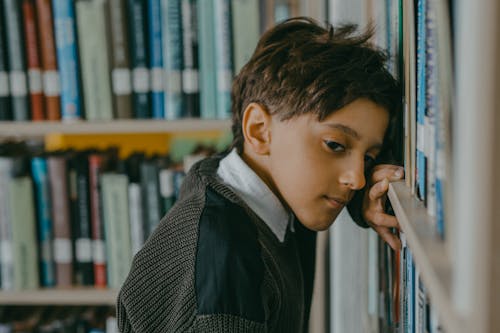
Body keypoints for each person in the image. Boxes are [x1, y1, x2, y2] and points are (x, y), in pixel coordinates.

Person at [117, 17, 403, 333]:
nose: (357, 179)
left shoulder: (233, 187)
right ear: (259, 130)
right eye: (335, 145)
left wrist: (368, 199)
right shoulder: (228, 263)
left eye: (368, 159)